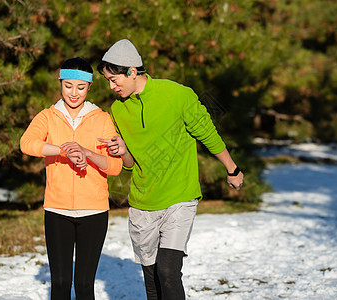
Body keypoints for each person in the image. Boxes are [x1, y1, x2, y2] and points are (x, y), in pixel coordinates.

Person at [96, 39, 244, 300]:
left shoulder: (177, 94)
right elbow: (130, 164)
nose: (111, 86)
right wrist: (123, 151)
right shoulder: (118, 110)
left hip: (179, 197)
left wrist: (232, 169)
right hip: (142, 202)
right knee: (152, 280)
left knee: (168, 270)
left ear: (132, 71)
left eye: (114, 79)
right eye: (108, 80)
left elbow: (207, 134)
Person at [20, 57, 123, 300]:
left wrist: (88, 154)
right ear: (60, 83)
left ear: (89, 87)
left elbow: (116, 166)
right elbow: (27, 143)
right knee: (61, 283)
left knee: (85, 286)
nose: (73, 93)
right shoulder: (47, 116)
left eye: (80, 87)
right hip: (57, 210)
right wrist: (63, 150)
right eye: (68, 85)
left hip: (94, 212)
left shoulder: (103, 119)